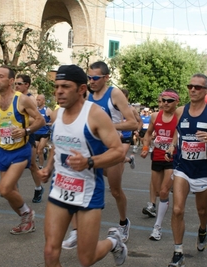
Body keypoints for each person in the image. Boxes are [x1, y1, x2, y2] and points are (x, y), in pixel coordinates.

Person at [38, 64, 127, 267]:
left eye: (65, 86)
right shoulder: (57, 114)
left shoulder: (94, 115)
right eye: (57, 86)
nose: (59, 91)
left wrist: (89, 161)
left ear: (81, 89)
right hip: (59, 189)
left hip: (87, 192)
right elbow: (58, 144)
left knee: (86, 259)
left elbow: (118, 151)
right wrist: (48, 167)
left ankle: (114, 242)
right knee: (50, 252)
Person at [165, 74, 207, 267]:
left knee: (202, 210)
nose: (193, 89)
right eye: (190, 86)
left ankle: (203, 229)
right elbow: (178, 130)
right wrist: (172, 145)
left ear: (206, 91)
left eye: (198, 87)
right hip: (182, 168)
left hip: (204, 170)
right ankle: (178, 252)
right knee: (177, 209)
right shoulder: (180, 111)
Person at [0, 65, 45, 234]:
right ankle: (26, 221)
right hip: (3, 151)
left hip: (20, 150)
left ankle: (28, 214)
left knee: (4, 189)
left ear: (11, 81)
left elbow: (40, 120)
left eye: (1, 76)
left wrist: (26, 131)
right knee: (11, 192)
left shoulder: (22, 100)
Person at [87, 61, 137, 243]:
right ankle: (78, 230)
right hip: (92, 148)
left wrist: (107, 126)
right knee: (85, 186)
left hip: (112, 148)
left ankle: (124, 223)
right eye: (89, 77)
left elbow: (133, 123)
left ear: (106, 78)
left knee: (115, 190)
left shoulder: (114, 94)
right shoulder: (86, 95)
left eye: (95, 78)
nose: (91, 81)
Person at [140, 89, 179, 241]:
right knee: (157, 191)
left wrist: (173, 146)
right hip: (156, 155)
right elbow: (148, 133)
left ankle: (157, 227)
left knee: (163, 191)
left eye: (169, 101)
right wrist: (145, 148)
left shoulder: (179, 117)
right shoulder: (155, 116)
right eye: (163, 100)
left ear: (177, 102)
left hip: (172, 158)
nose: (165, 103)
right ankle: (157, 204)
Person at [15, 74, 45, 203]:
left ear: (26, 85)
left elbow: (35, 119)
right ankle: (12, 189)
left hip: (28, 133)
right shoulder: (15, 97)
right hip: (16, 134)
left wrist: (22, 125)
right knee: (13, 162)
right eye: (15, 83)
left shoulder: (30, 99)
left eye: (19, 84)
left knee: (32, 165)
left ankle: (38, 188)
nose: (16, 86)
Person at [35, 94, 53, 169]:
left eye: (39, 100)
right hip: (36, 132)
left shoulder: (48, 110)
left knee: (39, 150)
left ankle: (41, 166)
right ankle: (45, 150)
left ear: (43, 101)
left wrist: (46, 123)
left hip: (45, 133)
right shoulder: (35, 110)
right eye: (37, 99)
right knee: (36, 150)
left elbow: (53, 122)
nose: (37, 101)